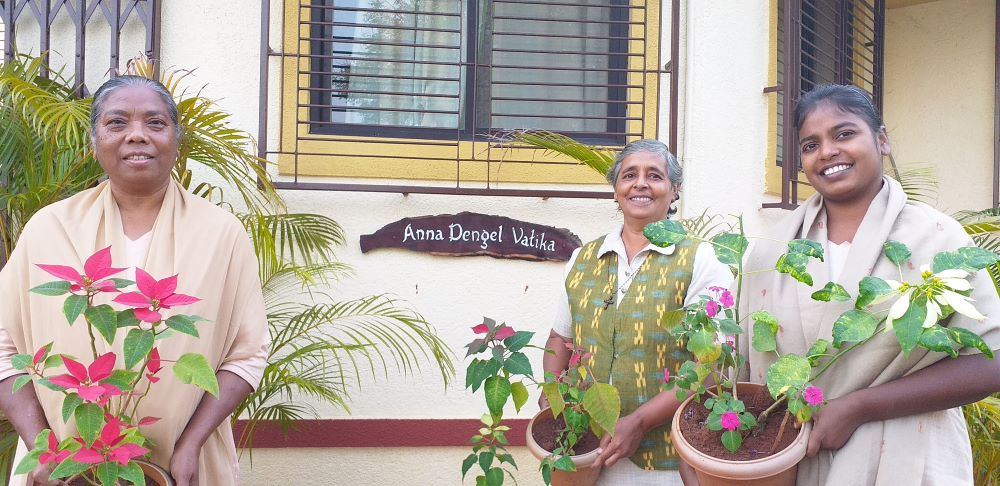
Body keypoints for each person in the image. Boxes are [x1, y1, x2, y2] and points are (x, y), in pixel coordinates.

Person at [0, 76, 269, 486]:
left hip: (181, 467)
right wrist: (42, 447)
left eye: (155, 123)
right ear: (94, 142)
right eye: (117, 122)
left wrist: (192, 443)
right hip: (61, 469)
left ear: (176, 141)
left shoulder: (221, 234)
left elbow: (247, 354)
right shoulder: (49, 229)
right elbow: (4, 347)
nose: (137, 136)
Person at [740, 84, 1000, 485]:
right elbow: (743, 372)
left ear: (882, 140)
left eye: (844, 134)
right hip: (793, 463)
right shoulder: (770, 253)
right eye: (811, 144)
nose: (827, 151)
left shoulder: (937, 240)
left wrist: (857, 407)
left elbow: (991, 361)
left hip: (909, 458)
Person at [542, 139, 732, 485]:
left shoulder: (702, 259)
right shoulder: (583, 259)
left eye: (654, 176)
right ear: (616, 189)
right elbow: (560, 339)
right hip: (585, 455)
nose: (640, 183)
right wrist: (551, 396)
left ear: (674, 190)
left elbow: (712, 366)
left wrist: (640, 421)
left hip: (668, 463)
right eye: (629, 175)